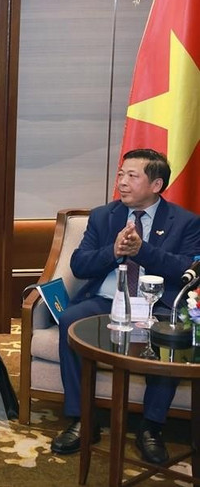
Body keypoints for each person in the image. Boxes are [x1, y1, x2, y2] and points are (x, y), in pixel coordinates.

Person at [51, 148, 200, 464]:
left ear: (156, 184)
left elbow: (186, 268)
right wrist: (115, 251)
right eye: (121, 174)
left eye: (132, 175)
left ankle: (151, 426)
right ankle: (83, 419)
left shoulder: (185, 222)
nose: (122, 182)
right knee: (70, 320)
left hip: (156, 306)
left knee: (171, 335)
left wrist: (142, 251)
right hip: (106, 299)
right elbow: (79, 265)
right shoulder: (104, 215)